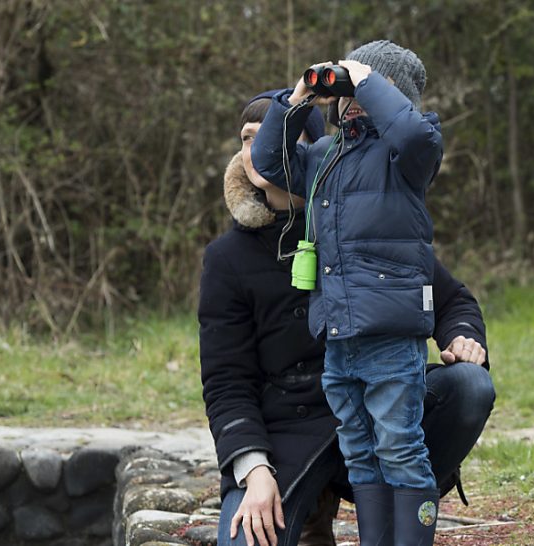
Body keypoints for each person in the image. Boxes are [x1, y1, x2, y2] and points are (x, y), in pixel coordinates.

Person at [200, 89, 494, 546]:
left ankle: (406, 511)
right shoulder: (226, 258)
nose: (253, 151)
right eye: (244, 138)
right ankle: (312, 505)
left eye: (267, 137)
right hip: (289, 432)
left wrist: (462, 336)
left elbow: (450, 298)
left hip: (379, 401)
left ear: (311, 151)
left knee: (470, 387)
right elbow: (226, 382)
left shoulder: (364, 219)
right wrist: (253, 469)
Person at [251, 40, 446, 546]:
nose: (352, 98)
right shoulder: (324, 155)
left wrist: (365, 79)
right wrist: (293, 103)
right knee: (360, 450)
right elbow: (270, 164)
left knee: (400, 448)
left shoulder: (409, 154)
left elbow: (412, 134)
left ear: (392, 94)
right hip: (338, 332)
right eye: (347, 90)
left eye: (364, 89)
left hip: (391, 332)